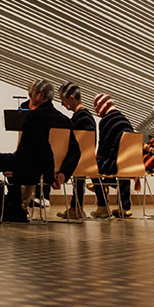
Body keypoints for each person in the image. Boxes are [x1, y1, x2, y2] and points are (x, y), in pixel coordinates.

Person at [0, 79, 80, 223]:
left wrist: (49, 177)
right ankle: (15, 210)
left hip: (27, 165)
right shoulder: (64, 120)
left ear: (40, 95)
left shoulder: (35, 117)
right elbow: (75, 151)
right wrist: (62, 173)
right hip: (44, 168)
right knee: (11, 164)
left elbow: (43, 149)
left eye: (32, 94)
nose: (30, 97)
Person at [56, 82, 97, 220]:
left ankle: (75, 208)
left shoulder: (78, 119)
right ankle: (76, 208)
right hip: (89, 162)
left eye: (63, 99)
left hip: (77, 162)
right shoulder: (89, 117)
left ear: (71, 99)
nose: (62, 104)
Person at [90, 94, 134, 218]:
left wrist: (92, 160)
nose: (96, 110)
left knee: (92, 167)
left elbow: (103, 150)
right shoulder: (125, 120)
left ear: (107, 105)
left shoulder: (107, 121)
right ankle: (125, 208)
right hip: (132, 164)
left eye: (98, 106)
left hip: (116, 163)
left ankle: (103, 207)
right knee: (123, 166)